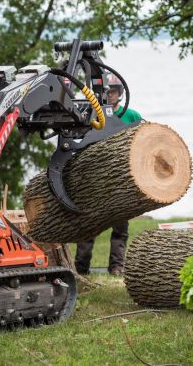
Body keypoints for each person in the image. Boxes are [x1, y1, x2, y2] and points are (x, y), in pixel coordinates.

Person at [74, 74, 142, 276]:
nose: (110, 96)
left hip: (121, 180)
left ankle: (116, 267)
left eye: (113, 92)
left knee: (120, 228)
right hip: (96, 179)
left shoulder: (132, 116)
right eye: (106, 92)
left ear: (120, 94)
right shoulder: (94, 115)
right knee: (88, 227)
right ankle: (81, 267)